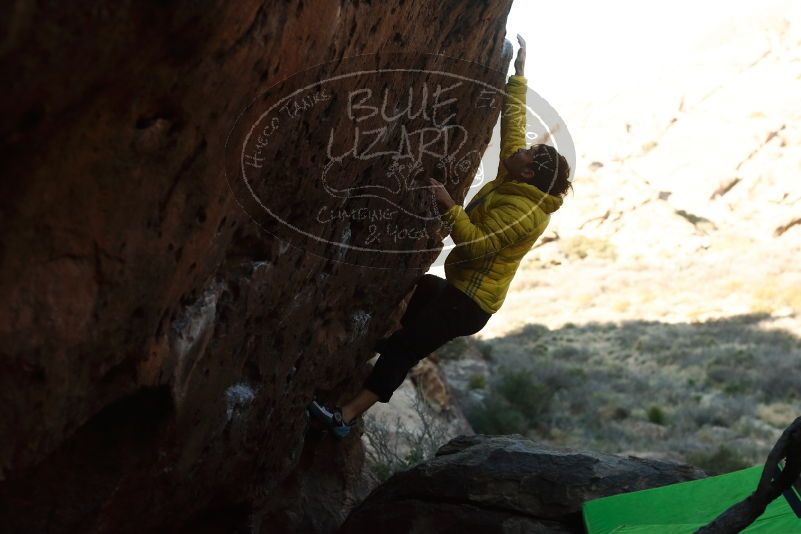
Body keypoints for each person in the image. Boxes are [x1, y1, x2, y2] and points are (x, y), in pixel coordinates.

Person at [307, 34, 572, 439]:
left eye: (529, 154)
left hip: (470, 303)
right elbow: (513, 127)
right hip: (456, 291)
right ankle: (398, 347)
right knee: (426, 289)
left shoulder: (526, 211)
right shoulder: (517, 180)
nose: (520, 151)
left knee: (404, 349)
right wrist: (519, 76)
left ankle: (344, 418)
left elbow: (478, 243)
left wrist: (449, 204)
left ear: (529, 173)